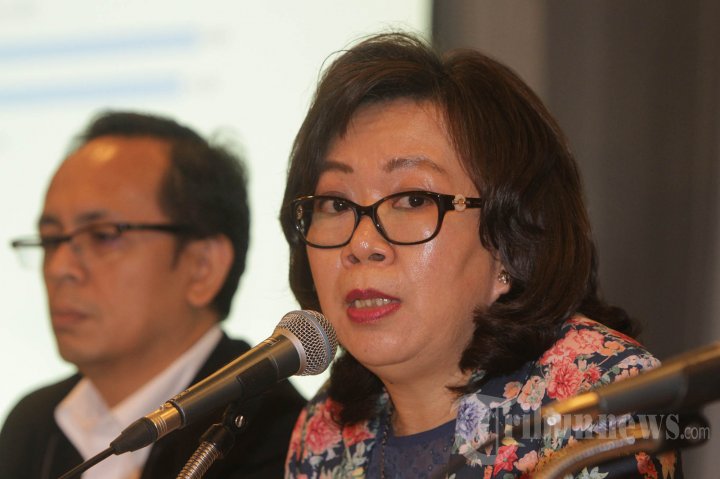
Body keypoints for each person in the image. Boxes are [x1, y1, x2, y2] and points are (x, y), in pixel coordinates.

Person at [280, 33, 682, 478]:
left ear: (508, 240)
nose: (361, 244)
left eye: (413, 199)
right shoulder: (325, 432)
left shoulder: (599, 396)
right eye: (336, 203)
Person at [0, 111, 306, 479]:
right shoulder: (31, 427)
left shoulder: (281, 437)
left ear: (203, 267)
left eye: (103, 235)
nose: (59, 268)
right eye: (51, 239)